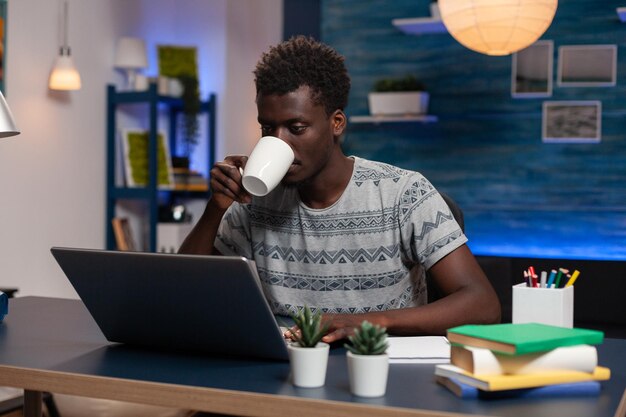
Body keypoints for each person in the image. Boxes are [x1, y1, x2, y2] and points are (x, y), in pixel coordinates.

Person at [179, 36, 501, 343]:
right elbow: (185, 290)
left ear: (336, 123)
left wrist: (360, 323)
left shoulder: (404, 194)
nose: (278, 141)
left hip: (377, 368)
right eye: (268, 127)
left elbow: (483, 306)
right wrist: (216, 207)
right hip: (283, 371)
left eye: (296, 128)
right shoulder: (254, 201)